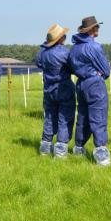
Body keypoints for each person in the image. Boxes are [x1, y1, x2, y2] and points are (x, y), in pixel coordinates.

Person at [69, 16, 111, 166]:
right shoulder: (94, 47)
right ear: (92, 30)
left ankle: (78, 148)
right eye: (97, 27)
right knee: (98, 117)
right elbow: (106, 70)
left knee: (82, 116)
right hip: (95, 84)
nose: (98, 29)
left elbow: (72, 67)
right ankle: (101, 154)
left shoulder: (74, 48)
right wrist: (100, 74)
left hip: (80, 84)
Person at [35, 24, 76, 158]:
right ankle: (61, 150)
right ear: (60, 39)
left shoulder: (43, 53)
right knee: (65, 118)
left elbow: (38, 63)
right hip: (63, 87)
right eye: (63, 35)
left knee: (49, 118)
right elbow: (74, 67)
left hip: (48, 88)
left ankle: (45, 147)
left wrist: (46, 43)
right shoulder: (65, 52)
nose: (65, 37)